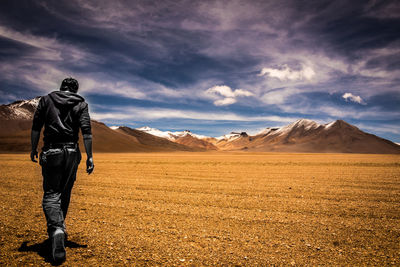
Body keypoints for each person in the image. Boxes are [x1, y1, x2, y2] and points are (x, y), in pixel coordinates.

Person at [30, 77, 94, 263]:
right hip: (72, 151)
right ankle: (60, 229)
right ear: (75, 89)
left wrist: (34, 148)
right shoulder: (81, 104)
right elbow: (86, 132)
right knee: (64, 192)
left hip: (52, 150)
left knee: (51, 193)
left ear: (61, 87)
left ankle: (57, 229)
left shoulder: (46, 100)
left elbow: (36, 127)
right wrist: (89, 156)